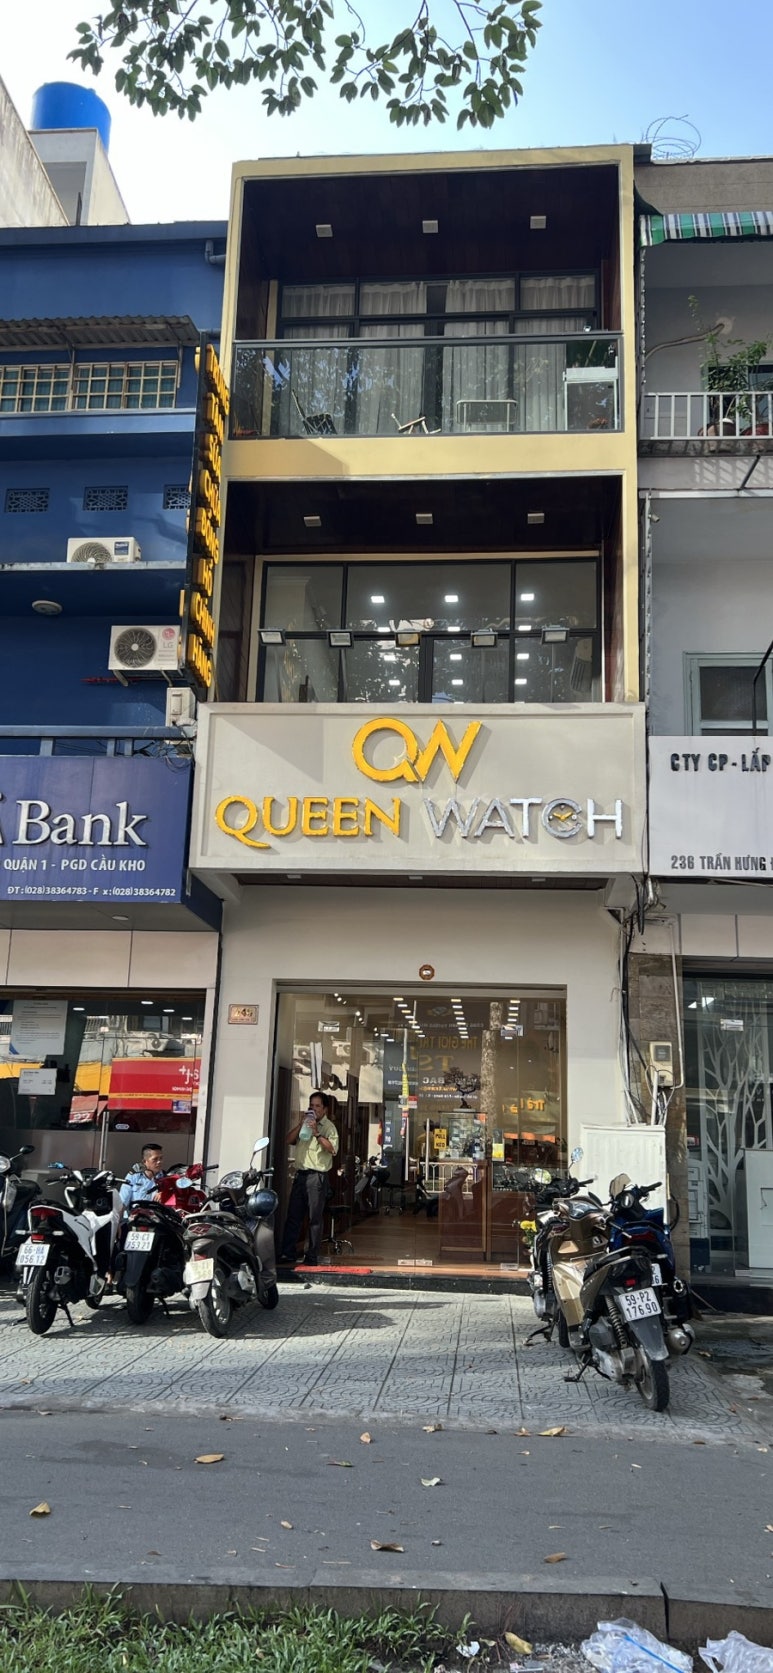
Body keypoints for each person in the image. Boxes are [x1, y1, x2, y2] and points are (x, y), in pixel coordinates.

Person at [278, 1091, 339, 1267]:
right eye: (311, 1105)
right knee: (293, 1216)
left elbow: (332, 1149)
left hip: (316, 1177)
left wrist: (317, 1133)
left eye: (317, 1106)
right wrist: (300, 1124)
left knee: (314, 1218)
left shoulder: (329, 1127)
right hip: (300, 1175)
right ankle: (288, 1253)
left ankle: (311, 1256)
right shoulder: (304, 1124)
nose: (314, 1109)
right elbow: (288, 1140)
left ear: (325, 1109)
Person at [119, 1143, 165, 1212]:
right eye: (155, 1159)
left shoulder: (166, 1178)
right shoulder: (133, 1176)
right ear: (144, 1161)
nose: (159, 1162)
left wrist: (165, 1195)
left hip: (156, 1217)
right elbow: (122, 1203)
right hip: (135, 1216)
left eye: (161, 1158)